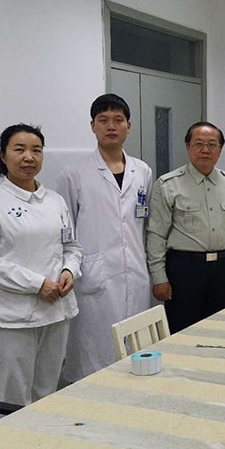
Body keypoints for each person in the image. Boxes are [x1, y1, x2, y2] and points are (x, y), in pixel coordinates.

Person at [0, 124, 82, 405]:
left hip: (56, 312)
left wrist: (69, 271)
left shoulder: (55, 201)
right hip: (14, 318)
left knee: (47, 393)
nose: (29, 157)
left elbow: (71, 247)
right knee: (15, 399)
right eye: (19, 149)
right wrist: (38, 284)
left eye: (36, 150)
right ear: (3, 156)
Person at [56, 94, 153, 382]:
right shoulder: (73, 174)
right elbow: (65, 232)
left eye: (118, 120)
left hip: (135, 271)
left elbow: (144, 222)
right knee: (93, 352)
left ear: (129, 126)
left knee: (135, 353)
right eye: (103, 120)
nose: (111, 126)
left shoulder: (142, 171)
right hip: (93, 275)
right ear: (93, 126)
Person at [147, 122, 225, 334]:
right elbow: (156, 235)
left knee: (220, 332)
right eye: (198, 144)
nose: (205, 150)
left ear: (220, 149)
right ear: (188, 147)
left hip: (223, 269)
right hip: (184, 270)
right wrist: (159, 277)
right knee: (182, 331)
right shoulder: (168, 184)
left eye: (212, 144)